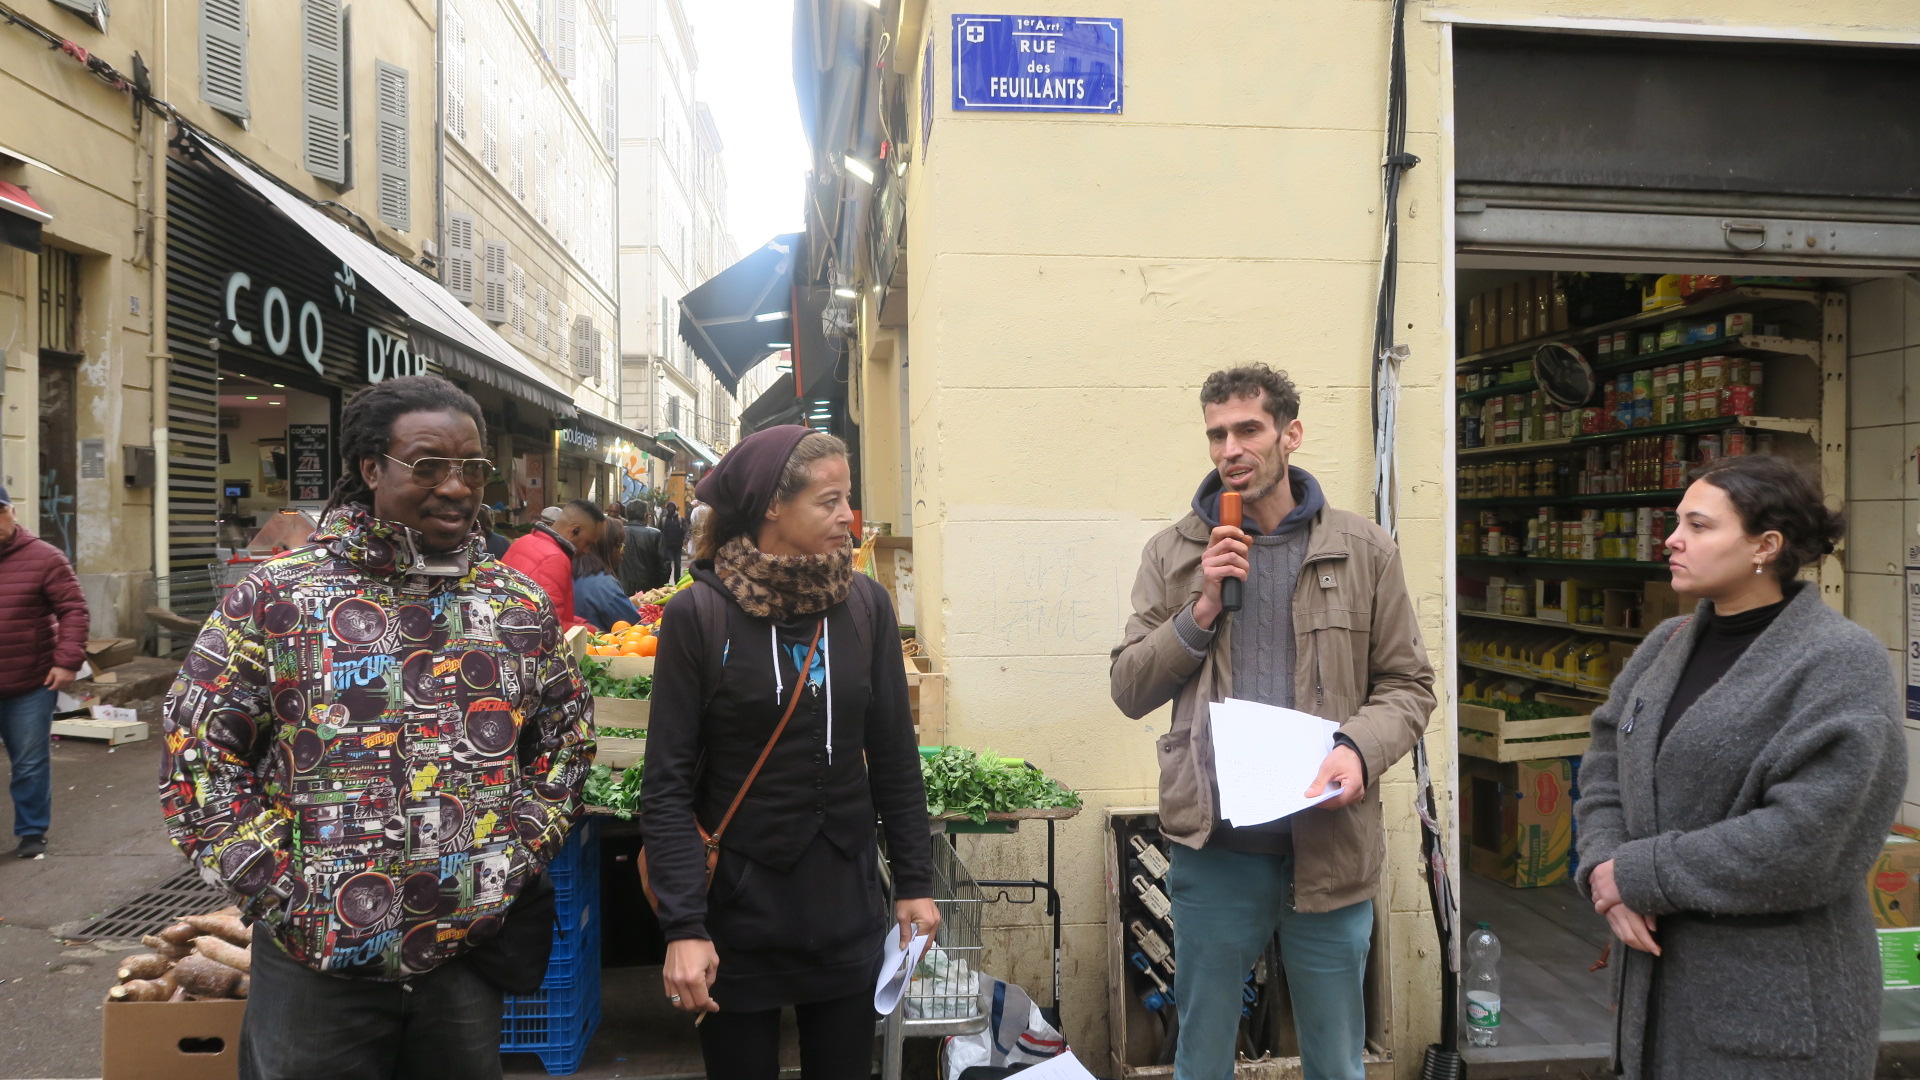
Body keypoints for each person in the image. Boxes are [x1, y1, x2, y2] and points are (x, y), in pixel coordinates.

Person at [159, 375, 595, 1080]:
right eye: (428, 466)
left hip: (462, 960)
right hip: (315, 969)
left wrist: (505, 864)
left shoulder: (515, 606)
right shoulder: (278, 598)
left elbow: (566, 747)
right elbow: (196, 753)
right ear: (371, 469)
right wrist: (283, 891)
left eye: (472, 468)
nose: (456, 487)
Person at [1110, 364, 1434, 1080]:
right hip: (1216, 848)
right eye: (1217, 434)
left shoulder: (1363, 549)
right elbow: (1129, 687)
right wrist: (1199, 610)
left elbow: (1409, 685)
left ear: (1290, 433)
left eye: (1248, 429)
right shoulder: (1173, 553)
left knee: (1335, 1060)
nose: (1231, 448)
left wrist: (1358, 749)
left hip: (1330, 846)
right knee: (1202, 1057)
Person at [1574, 454, 1902, 1080]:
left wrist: (1636, 874)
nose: (1671, 539)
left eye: (1698, 526)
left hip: (1773, 1008)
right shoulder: (1667, 642)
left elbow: (1811, 840)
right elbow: (1605, 764)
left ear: (1765, 546)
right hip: (1654, 993)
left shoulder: (1837, 661)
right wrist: (1603, 872)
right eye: (1678, 523)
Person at [642, 426, 936, 1080]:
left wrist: (914, 881)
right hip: (740, 913)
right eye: (828, 501)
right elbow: (663, 786)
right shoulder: (700, 616)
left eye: (847, 499)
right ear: (773, 506)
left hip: (845, 904)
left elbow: (892, 754)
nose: (846, 517)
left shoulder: (865, 607)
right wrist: (684, 927)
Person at [0, 486, 89, 860]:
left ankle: (32, 832)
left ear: (12, 511)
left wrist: (67, 661)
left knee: (30, 761)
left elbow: (73, 610)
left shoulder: (45, 558)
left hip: (31, 680)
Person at [503, 497, 605, 629]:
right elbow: (548, 626)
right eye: (588, 543)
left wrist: (582, 624)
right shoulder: (554, 559)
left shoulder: (523, 541)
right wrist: (591, 630)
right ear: (574, 531)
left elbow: (552, 614)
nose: (586, 551)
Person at [574, 522, 642, 633]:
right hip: (599, 646)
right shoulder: (603, 584)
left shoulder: (575, 571)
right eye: (619, 545)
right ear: (606, 547)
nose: (622, 552)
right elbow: (632, 622)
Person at [619, 499, 670, 595]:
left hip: (622, 588)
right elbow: (664, 565)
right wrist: (659, 588)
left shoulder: (617, 532)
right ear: (645, 516)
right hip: (648, 589)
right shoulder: (655, 534)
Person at [658, 501, 685, 584]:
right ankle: (666, 582)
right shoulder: (663, 520)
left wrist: (685, 539)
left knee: (678, 565)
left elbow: (686, 530)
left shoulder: (680, 519)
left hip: (678, 546)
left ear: (674, 508)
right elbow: (659, 531)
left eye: (672, 507)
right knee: (667, 566)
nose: (670, 508)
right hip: (667, 546)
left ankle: (677, 583)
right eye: (669, 507)